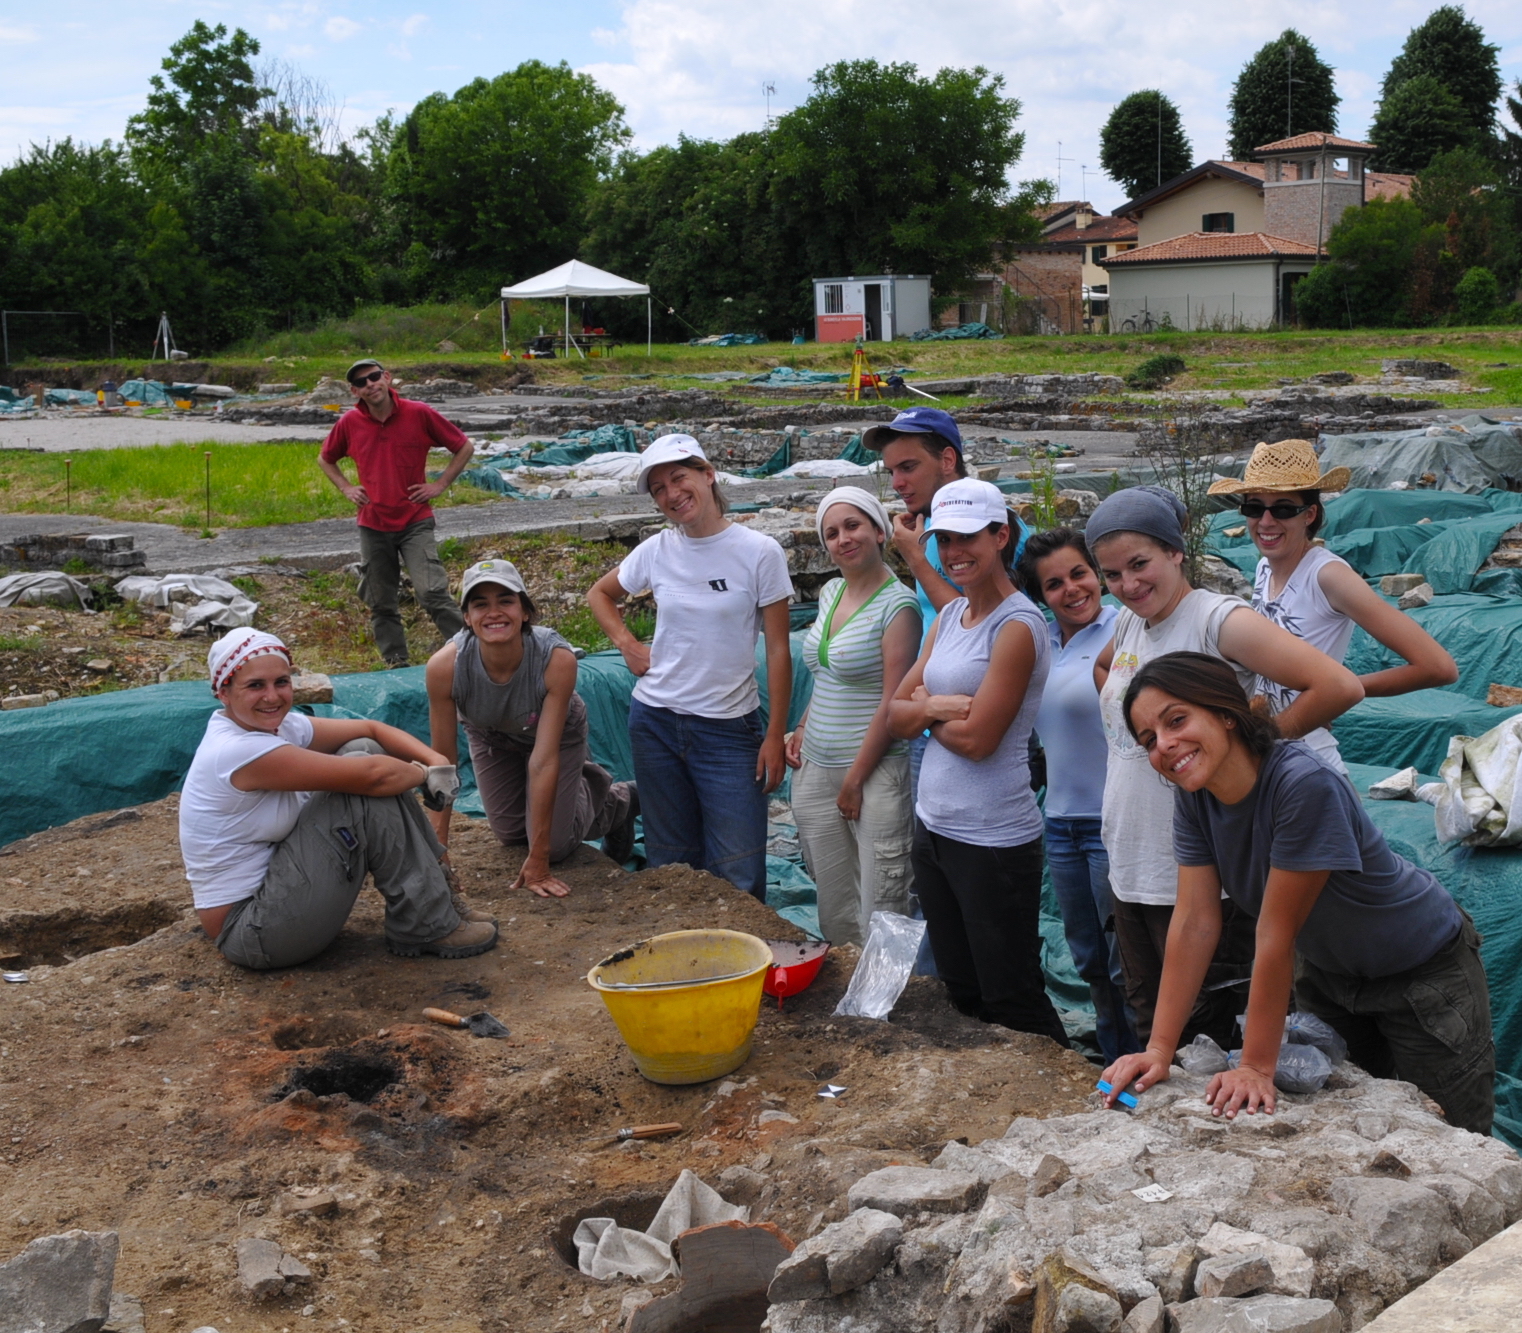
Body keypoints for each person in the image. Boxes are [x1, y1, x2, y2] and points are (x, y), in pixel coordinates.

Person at [1104, 651, 1494, 1134]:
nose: (1165, 745)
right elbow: (1195, 921)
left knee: (1452, 1131)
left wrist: (1255, 1067)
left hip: (1422, 975)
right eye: (1149, 740)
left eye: (1177, 720)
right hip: (1329, 978)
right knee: (1349, 1134)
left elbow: (1274, 932)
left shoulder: (1302, 785)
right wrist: (1159, 1050)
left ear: (1227, 713)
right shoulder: (1194, 799)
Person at [1089, 486, 1364, 1048]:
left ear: (1175, 552)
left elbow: (1336, 684)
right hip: (1132, 862)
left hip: (1201, 881)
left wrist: (1251, 749)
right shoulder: (1128, 623)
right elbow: (1106, 672)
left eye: (1140, 564)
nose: (1129, 585)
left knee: (1213, 1042)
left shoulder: (1218, 620)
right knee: (1154, 1028)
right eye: (1112, 575)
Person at [179, 628, 498, 970]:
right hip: (253, 930)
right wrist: (424, 775)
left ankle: (437, 901)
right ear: (224, 692)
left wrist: (438, 762)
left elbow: (370, 730)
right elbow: (373, 776)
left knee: (361, 750)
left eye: (281, 682)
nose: (272, 696)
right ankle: (426, 922)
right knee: (362, 778)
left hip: (277, 895)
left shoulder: (275, 727)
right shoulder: (237, 750)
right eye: (255, 685)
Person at [888, 479, 1066, 1044]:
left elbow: (980, 741)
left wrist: (923, 712)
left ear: (1000, 536)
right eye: (944, 539)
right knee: (960, 985)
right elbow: (895, 714)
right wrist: (941, 706)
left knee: (1009, 991)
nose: (955, 551)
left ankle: (1063, 1098)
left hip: (991, 838)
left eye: (969, 537)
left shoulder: (1017, 626)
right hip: (935, 825)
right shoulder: (949, 618)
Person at [587, 435, 793, 900]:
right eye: (658, 488)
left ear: (707, 473)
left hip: (727, 731)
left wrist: (774, 735)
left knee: (739, 870)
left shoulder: (759, 552)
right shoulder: (657, 550)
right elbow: (599, 594)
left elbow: (778, 649)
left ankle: (740, 964)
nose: (671, 494)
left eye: (679, 478)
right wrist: (626, 645)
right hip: (656, 722)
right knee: (672, 863)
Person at [1208, 439, 1458, 773]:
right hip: (1266, 752)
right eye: (1254, 508)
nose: (1265, 521)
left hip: (1308, 764)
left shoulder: (1328, 576)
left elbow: (1438, 666)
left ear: (1309, 514)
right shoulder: (1264, 567)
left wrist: (1334, 692)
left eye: (1282, 508)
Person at [425, 559, 639, 899]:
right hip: (490, 735)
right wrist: (437, 851)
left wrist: (539, 859)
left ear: (525, 611)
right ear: (467, 618)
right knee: (511, 834)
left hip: (553, 736)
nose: (494, 613)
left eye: (506, 601)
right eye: (480, 605)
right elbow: (443, 760)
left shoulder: (555, 660)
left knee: (554, 846)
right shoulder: (445, 668)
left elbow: (543, 760)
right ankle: (559, 804)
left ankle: (618, 802)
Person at [1019, 527, 1140, 1065]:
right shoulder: (1041, 642)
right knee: (1088, 957)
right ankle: (1114, 1054)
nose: (1071, 589)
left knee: (1124, 959)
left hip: (1111, 820)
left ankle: (1146, 1058)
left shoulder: (1123, 627)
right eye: (1053, 583)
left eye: (1079, 574)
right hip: (1060, 823)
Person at [862, 408, 1030, 795]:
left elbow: (980, 619)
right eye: (891, 472)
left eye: (908, 467)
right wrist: (924, 708)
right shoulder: (923, 529)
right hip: (930, 713)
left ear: (948, 460)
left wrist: (916, 560)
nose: (898, 483)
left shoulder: (998, 534)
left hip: (979, 722)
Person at [785, 487, 921, 945]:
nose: (842, 538)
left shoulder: (897, 606)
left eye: (852, 525)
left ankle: (885, 1007)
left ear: (879, 531)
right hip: (816, 767)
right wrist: (802, 726)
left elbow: (892, 701)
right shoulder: (830, 591)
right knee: (835, 896)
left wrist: (854, 780)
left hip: (873, 771)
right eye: (831, 532)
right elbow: (826, 676)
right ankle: (847, 999)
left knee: (883, 898)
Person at [318, 358, 476, 668]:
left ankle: (471, 652)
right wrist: (346, 488)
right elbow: (326, 459)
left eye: (374, 377)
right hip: (373, 524)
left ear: (387, 378)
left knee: (431, 592)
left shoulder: (418, 413)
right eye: (361, 382)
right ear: (354, 391)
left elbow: (464, 446)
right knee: (381, 601)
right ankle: (396, 661)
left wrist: (441, 483)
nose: (370, 384)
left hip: (415, 520)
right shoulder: (349, 423)